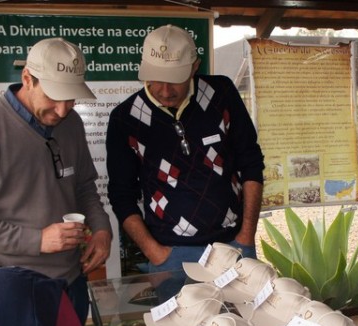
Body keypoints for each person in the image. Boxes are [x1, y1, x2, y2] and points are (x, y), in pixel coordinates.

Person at [0, 37, 112, 325]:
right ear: (27, 78)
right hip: (10, 290)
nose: (62, 110)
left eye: (70, 98)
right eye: (54, 96)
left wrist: (102, 230)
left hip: (71, 282)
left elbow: (84, 186)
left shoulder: (72, 123)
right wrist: (37, 240)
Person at [106, 24, 265, 274]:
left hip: (234, 243)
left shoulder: (221, 93)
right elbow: (121, 194)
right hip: (169, 254)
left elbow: (251, 162)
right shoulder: (124, 119)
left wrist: (246, 235)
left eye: (176, 80)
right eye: (157, 78)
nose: (165, 91)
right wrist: (154, 253)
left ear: (194, 67)